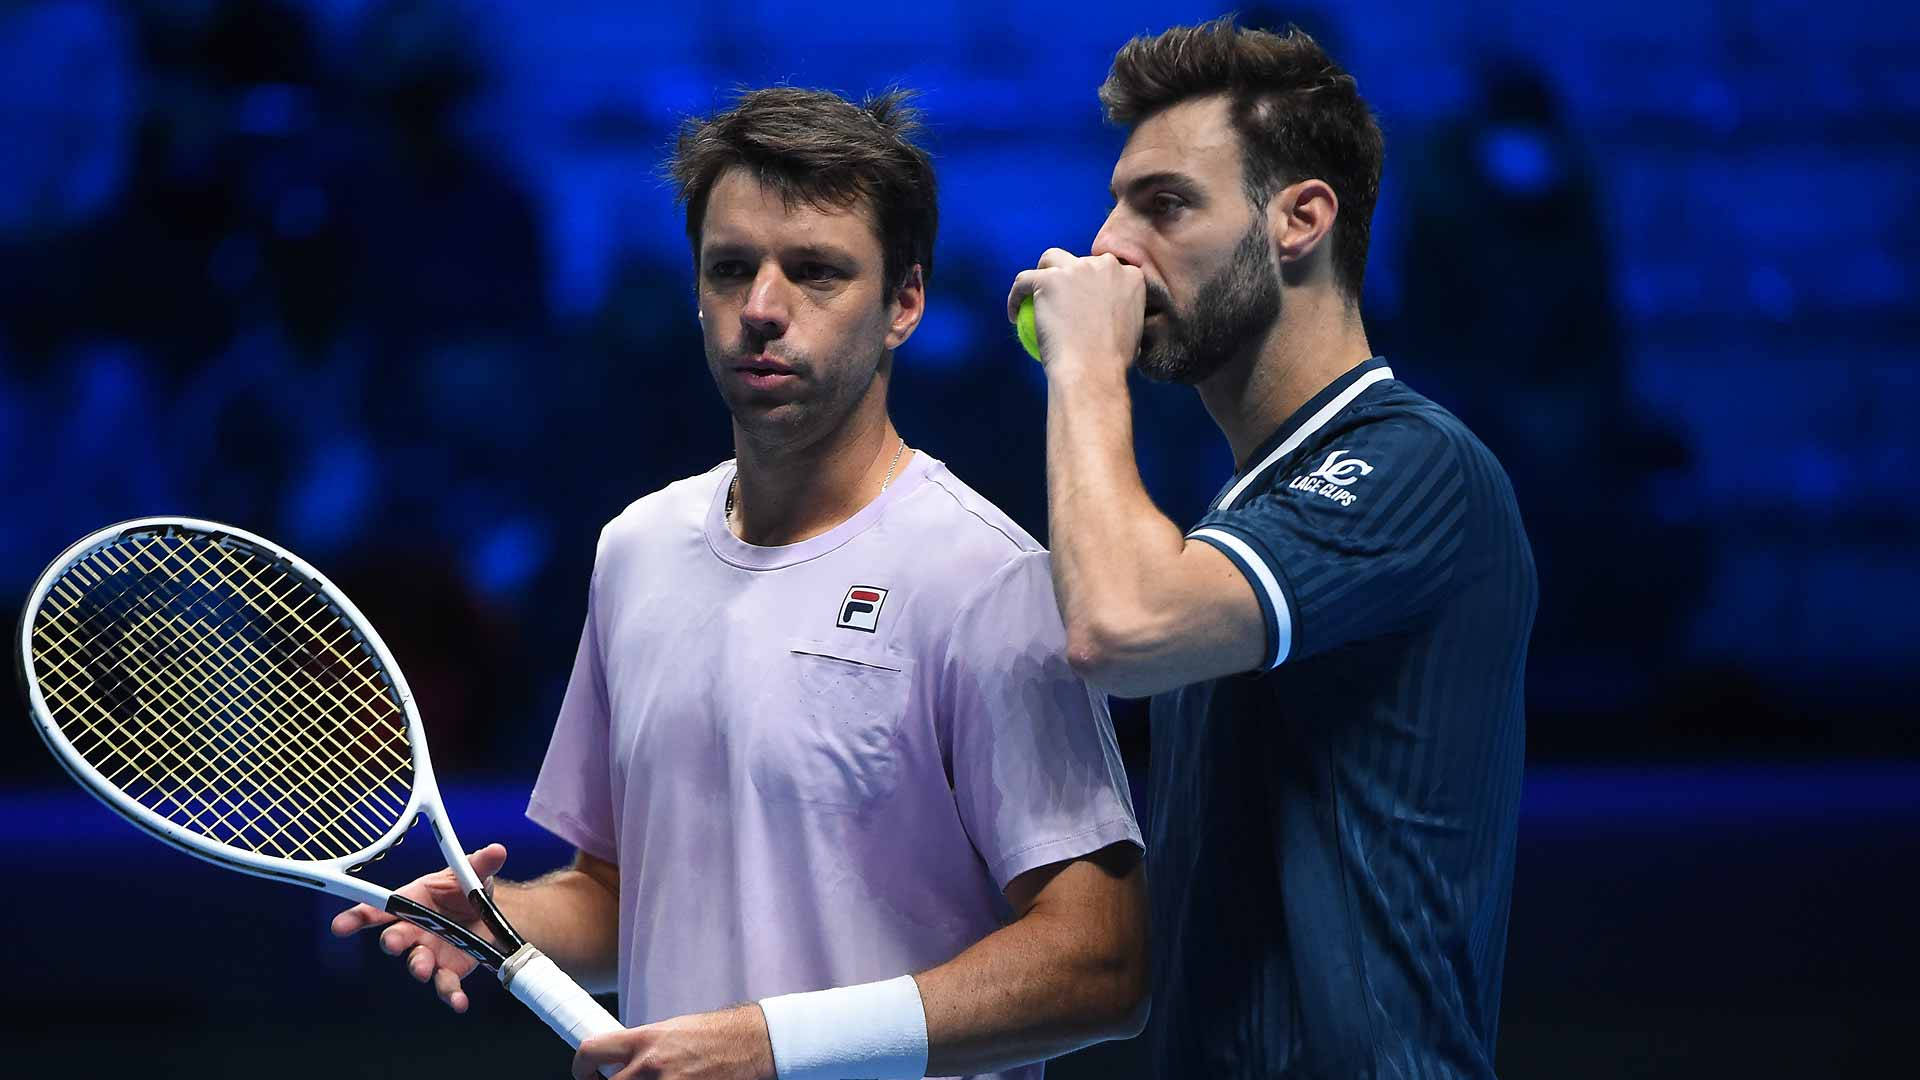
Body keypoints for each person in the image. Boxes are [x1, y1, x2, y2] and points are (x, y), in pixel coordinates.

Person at [333, 86, 1148, 1080]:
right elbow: (625, 896)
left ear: (905, 303)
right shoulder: (634, 549)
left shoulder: (990, 579)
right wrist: (505, 919)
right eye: (731, 270)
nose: (762, 309)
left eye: (814, 272)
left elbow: (1099, 963)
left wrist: (772, 1046)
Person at [1008, 18, 1537, 1079]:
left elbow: (1120, 626)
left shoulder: (1416, 464)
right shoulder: (1243, 511)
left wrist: (1082, 370)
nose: (1108, 247)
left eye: (1164, 205)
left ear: (1300, 219)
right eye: (1114, 202)